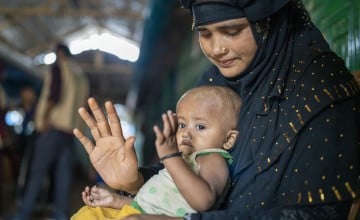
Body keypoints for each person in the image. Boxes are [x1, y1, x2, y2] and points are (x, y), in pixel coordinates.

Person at [74, 0, 360, 219]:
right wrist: (134, 180)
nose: (216, 48)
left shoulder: (321, 91)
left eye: (232, 31)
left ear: (268, 23)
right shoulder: (216, 83)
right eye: (205, 33)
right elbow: (187, 175)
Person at [71, 85, 241, 219]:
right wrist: (115, 200)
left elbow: (204, 201)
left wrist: (171, 157)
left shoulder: (212, 158)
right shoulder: (184, 160)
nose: (186, 133)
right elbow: (155, 206)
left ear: (228, 139)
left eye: (200, 126)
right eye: (182, 124)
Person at [15, 43, 89, 220]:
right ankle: (61, 215)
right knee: (63, 176)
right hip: (70, 132)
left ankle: (23, 214)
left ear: (60, 53)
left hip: (53, 128)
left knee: (37, 173)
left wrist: (46, 117)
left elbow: (54, 95)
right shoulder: (80, 76)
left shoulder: (59, 68)